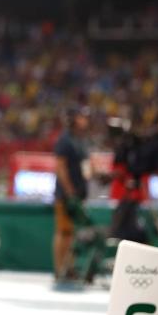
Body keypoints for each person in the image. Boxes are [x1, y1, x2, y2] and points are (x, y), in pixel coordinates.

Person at [53, 106, 91, 282]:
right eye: (81, 117)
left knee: (73, 234)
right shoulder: (65, 140)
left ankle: (70, 267)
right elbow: (60, 168)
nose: (85, 120)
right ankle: (60, 268)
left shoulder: (82, 141)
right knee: (64, 231)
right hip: (66, 195)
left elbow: (86, 166)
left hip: (79, 193)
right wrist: (69, 192)